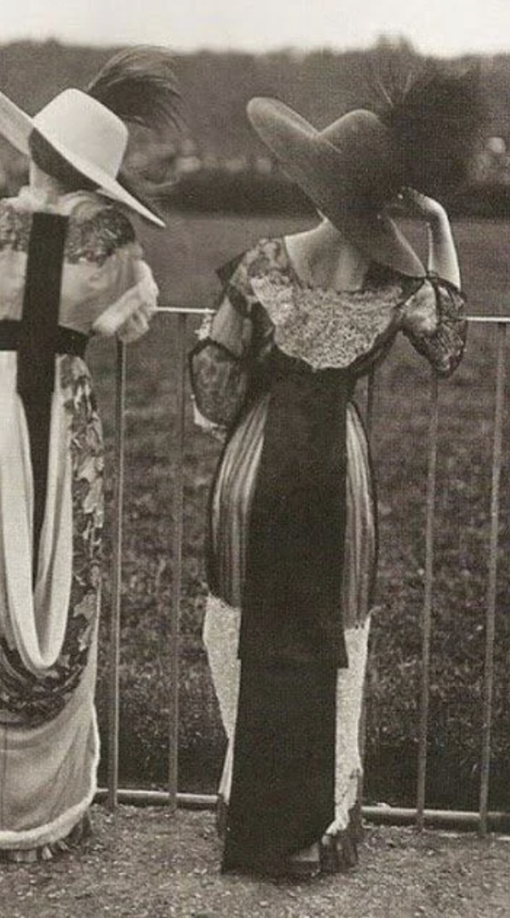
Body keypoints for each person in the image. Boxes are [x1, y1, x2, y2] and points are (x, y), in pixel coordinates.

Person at [189, 66, 482, 878]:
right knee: (336, 640)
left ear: (321, 182)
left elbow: (214, 384)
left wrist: (243, 403)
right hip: (337, 478)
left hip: (255, 465)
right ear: (386, 201)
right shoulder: (393, 283)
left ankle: (243, 807)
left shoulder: (263, 264)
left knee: (235, 625)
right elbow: (449, 346)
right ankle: (322, 822)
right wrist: (440, 228)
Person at [0, 48, 181, 860]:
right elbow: (127, 320)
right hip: (59, 412)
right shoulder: (112, 240)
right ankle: (44, 810)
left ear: (35, 152)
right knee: (55, 582)